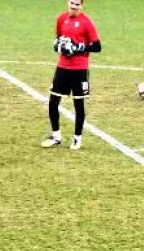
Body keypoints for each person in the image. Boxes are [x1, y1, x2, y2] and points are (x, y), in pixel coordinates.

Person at [41, 0, 101, 151]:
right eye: (72, 3)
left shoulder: (87, 22)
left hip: (79, 70)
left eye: (77, 4)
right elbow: (59, 38)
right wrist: (58, 45)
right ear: (67, 2)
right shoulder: (61, 19)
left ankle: (77, 139)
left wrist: (78, 47)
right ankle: (56, 137)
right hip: (62, 67)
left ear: (82, 5)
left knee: (78, 105)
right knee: (53, 102)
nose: (74, 6)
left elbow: (97, 46)